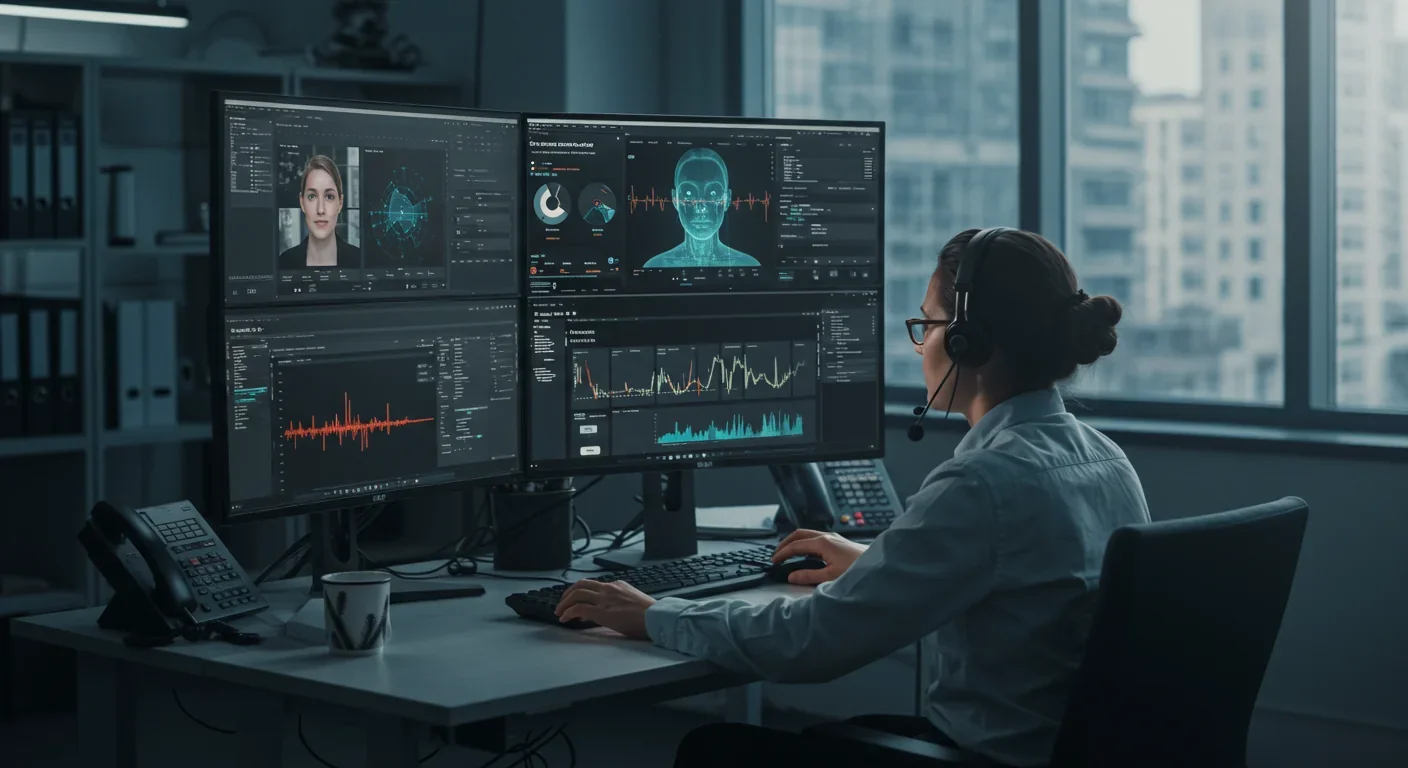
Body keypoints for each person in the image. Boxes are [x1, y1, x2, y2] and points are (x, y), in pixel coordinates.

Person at [555, 227, 1152, 768]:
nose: (922, 348)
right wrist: (878, 563)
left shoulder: (983, 484)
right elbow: (1032, 591)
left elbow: (812, 644)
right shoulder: (1105, 459)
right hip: (1056, 751)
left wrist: (656, 615)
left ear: (971, 341)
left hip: (987, 758)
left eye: (928, 325)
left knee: (713, 750)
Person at [641, 148, 761, 269]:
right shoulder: (656, 266)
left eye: (713, 193)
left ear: (727, 199)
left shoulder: (749, 265)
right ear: (675, 199)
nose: (701, 208)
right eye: (688, 193)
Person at [277, 154, 361, 270]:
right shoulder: (284, 263)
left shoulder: (360, 262)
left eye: (329, 197)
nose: (320, 210)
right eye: (312, 196)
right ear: (302, 203)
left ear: (340, 203)